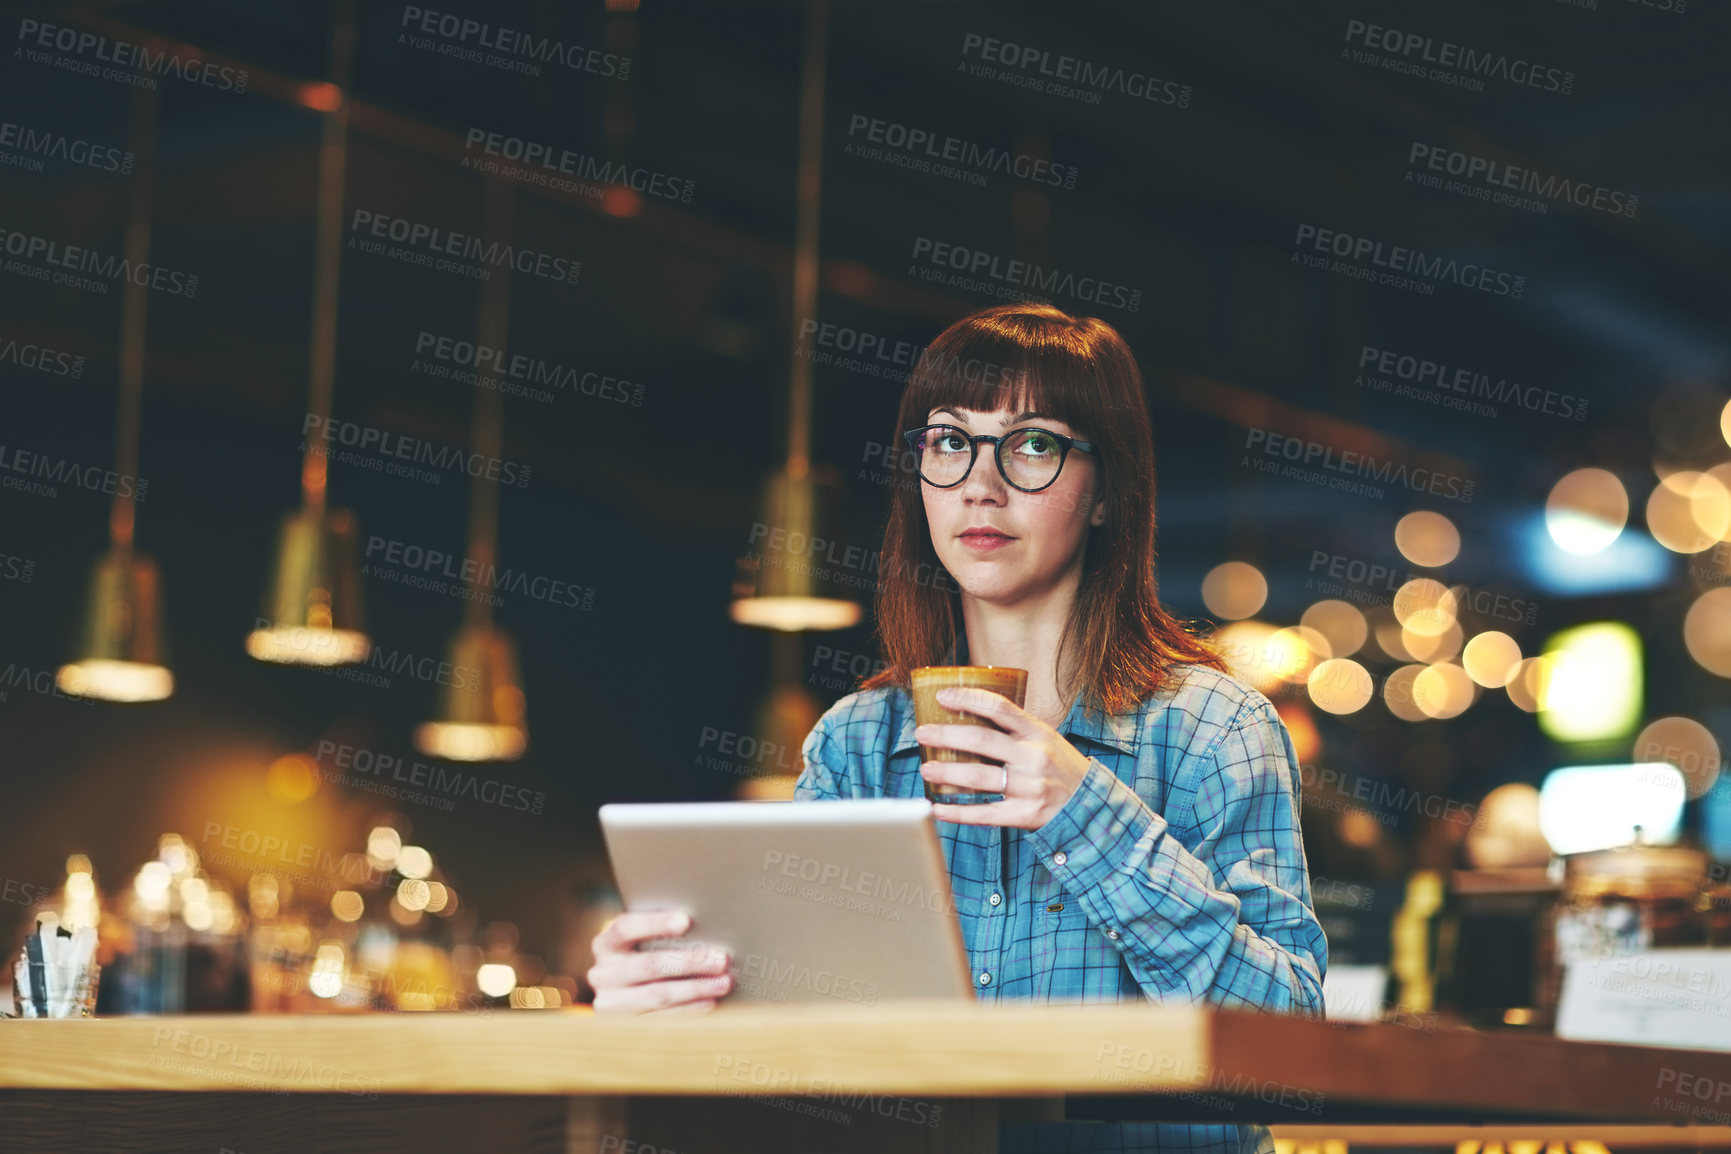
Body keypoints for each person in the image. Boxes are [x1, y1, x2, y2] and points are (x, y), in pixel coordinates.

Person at [588, 303, 1327, 1153]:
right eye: (947, 442)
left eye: (1033, 444)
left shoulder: (1212, 727)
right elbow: (799, 1059)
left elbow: (1287, 1051)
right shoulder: (856, 745)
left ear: (1107, 493)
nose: (981, 484)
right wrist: (671, 999)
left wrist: (1084, 810)